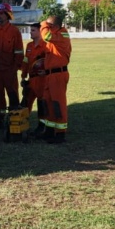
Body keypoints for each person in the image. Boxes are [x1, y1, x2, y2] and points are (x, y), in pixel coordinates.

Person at [0, 3, 25, 128]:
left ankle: (15, 121)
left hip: (9, 69)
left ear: (8, 15)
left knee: (12, 93)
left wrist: (15, 67)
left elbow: (19, 51)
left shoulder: (14, 31)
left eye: (2, 14)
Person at [38, 15, 72, 144]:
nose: (47, 28)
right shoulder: (55, 38)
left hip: (58, 75)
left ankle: (60, 134)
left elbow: (46, 36)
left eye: (49, 26)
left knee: (58, 103)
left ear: (55, 27)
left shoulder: (62, 35)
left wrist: (43, 25)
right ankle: (49, 130)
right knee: (48, 103)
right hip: (50, 75)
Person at [20, 21, 48, 135]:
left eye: (33, 30)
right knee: (25, 103)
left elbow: (50, 62)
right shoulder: (29, 46)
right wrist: (23, 76)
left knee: (41, 104)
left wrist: (46, 71)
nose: (30, 32)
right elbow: (26, 62)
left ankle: (42, 126)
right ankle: (22, 124)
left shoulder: (46, 46)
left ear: (40, 32)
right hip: (31, 80)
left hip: (42, 80)